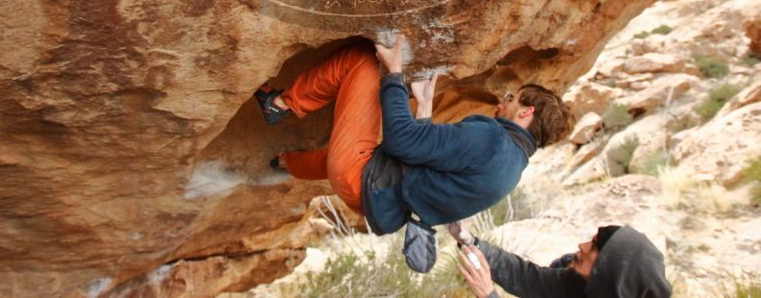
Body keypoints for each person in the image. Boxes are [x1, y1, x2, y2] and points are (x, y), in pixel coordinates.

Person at [255, 35, 574, 259]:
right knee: (342, 154)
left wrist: (393, 74)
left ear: (527, 112)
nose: (502, 104)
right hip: (370, 202)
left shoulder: (492, 140)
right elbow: (432, 175)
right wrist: (424, 109)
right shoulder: (512, 168)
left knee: (362, 60)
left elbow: (402, 140)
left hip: (361, 175)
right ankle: (285, 163)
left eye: (511, 99)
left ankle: (280, 103)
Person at [453, 223, 672, 298]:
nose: (582, 247)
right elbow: (529, 278)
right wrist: (471, 243)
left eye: (594, 247)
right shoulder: (583, 285)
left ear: (611, 271)